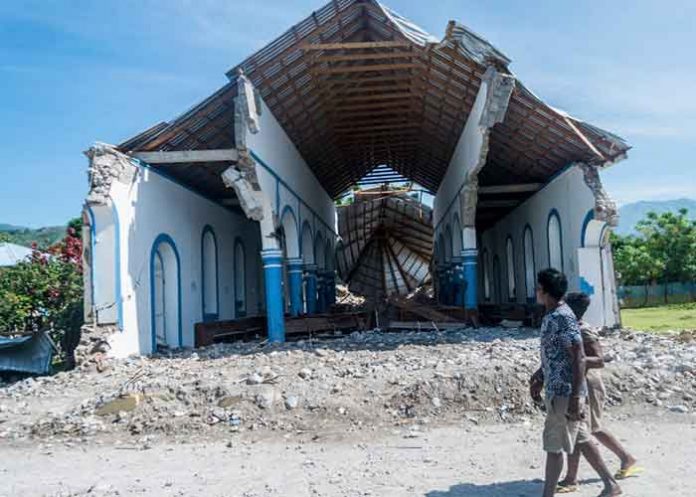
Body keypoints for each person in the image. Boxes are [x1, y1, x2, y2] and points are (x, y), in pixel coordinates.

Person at [529, 269, 622, 497]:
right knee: (582, 439)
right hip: (558, 388)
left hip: (563, 392)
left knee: (554, 447)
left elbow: (579, 357)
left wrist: (575, 397)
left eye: (538, 288)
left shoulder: (561, 317)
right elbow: (556, 354)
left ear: (546, 292)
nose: (536, 292)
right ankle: (611, 484)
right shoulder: (554, 315)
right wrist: (540, 375)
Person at [555, 292, 641, 493]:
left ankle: (572, 479)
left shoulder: (583, 331)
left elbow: (599, 359)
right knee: (588, 429)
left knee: (581, 430)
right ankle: (625, 458)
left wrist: (579, 360)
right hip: (579, 382)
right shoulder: (571, 328)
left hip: (588, 383)